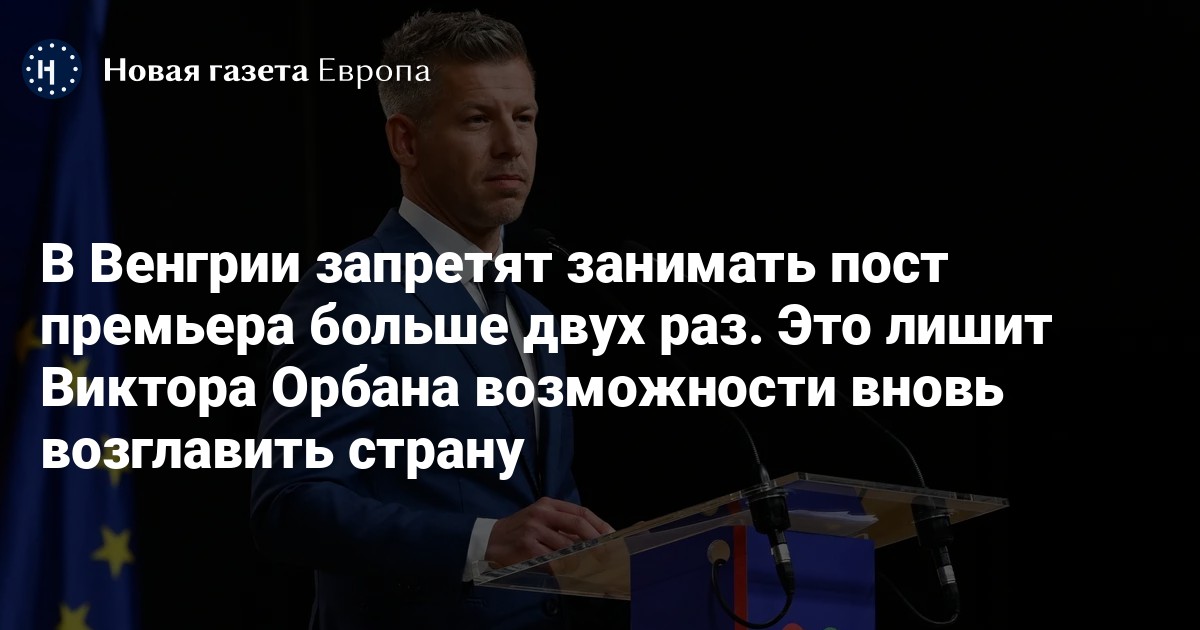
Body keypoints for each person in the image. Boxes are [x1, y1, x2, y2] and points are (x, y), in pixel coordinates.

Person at [250, 10, 613, 629]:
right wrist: (481, 541)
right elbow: (288, 505)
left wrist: (610, 559)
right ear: (406, 142)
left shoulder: (532, 314)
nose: (512, 144)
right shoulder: (352, 294)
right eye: (478, 119)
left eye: (524, 118)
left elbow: (540, 512)